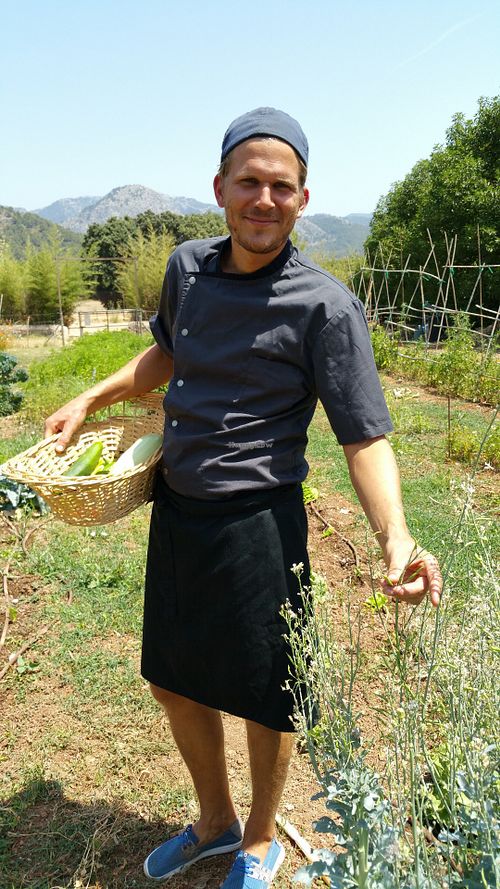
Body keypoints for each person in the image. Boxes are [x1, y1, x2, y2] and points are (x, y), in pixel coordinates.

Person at [45, 107, 442, 888]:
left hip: (262, 523)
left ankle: (261, 836)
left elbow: (363, 435)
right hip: (180, 512)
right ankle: (214, 820)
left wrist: (393, 534)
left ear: (303, 199)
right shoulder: (188, 267)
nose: (264, 199)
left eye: (281, 187)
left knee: (267, 696)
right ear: (220, 187)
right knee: (172, 676)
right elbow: (166, 349)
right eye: (249, 182)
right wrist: (92, 396)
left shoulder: (325, 306)